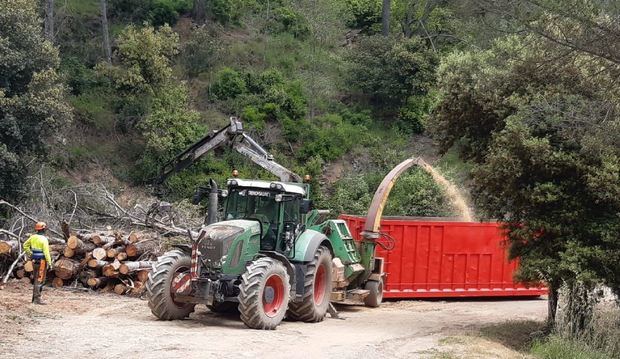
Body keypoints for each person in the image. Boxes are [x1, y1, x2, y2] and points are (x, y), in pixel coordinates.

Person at [23, 222, 53, 304]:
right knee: (39, 280)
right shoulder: (44, 239)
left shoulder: (32, 237)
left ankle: (34, 299)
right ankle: (37, 299)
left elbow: (25, 245)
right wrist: (50, 263)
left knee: (36, 279)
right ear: (43, 229)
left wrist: (30, 254)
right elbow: (46, 253)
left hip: (34, 261)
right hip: (42, 262)